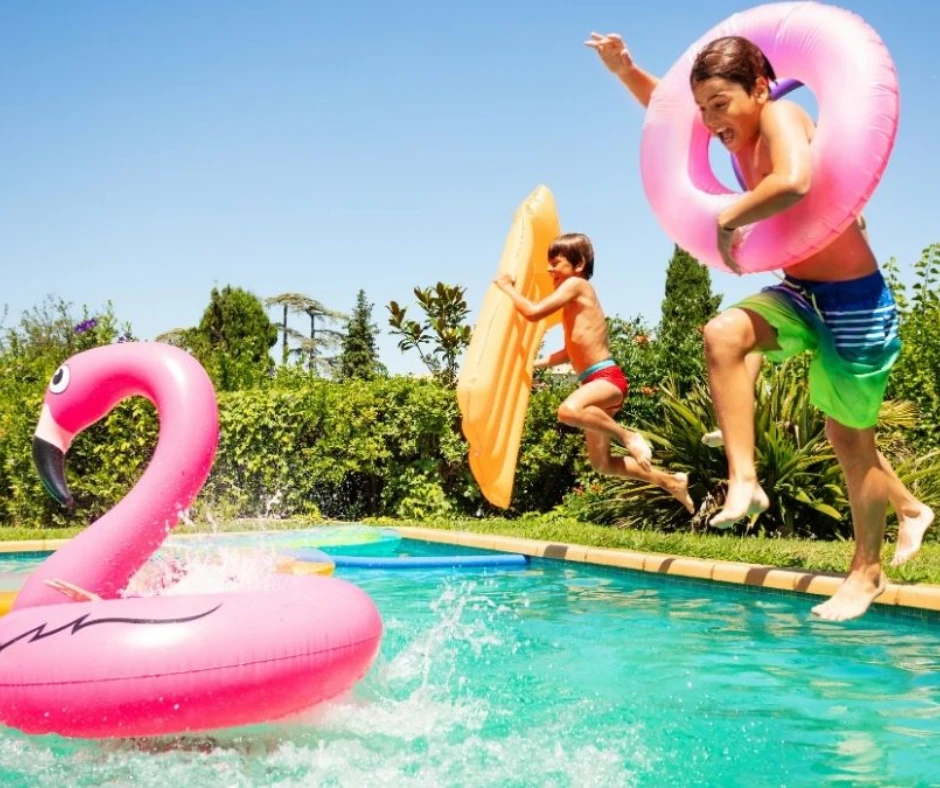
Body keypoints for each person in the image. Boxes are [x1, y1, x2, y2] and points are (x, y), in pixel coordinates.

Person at [587, 32, 925, 620]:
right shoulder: (731, 131)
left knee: (848, 438)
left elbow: (793, 181)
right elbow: (670, 121)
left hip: (855, 301)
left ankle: (868, 569)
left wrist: (729, 219)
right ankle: (745, 479)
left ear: (761, 90)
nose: (710, 119)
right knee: (724, 334)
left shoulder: (782, 117)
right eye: (704, 108)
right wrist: (626, 71)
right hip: (801, 292)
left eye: (721, 104)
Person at [495, 232, 694, 513]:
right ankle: (671, 481)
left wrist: (507, 287)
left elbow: (533, 312)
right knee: (603, 464)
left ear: (578, 265)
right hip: (593, 383)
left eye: (556, 263)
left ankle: (628, 436)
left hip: (606, 379)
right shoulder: (572, 303)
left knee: (567, 411)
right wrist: (531, 364)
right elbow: (568, 353)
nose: (550, 269)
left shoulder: (576, 285)